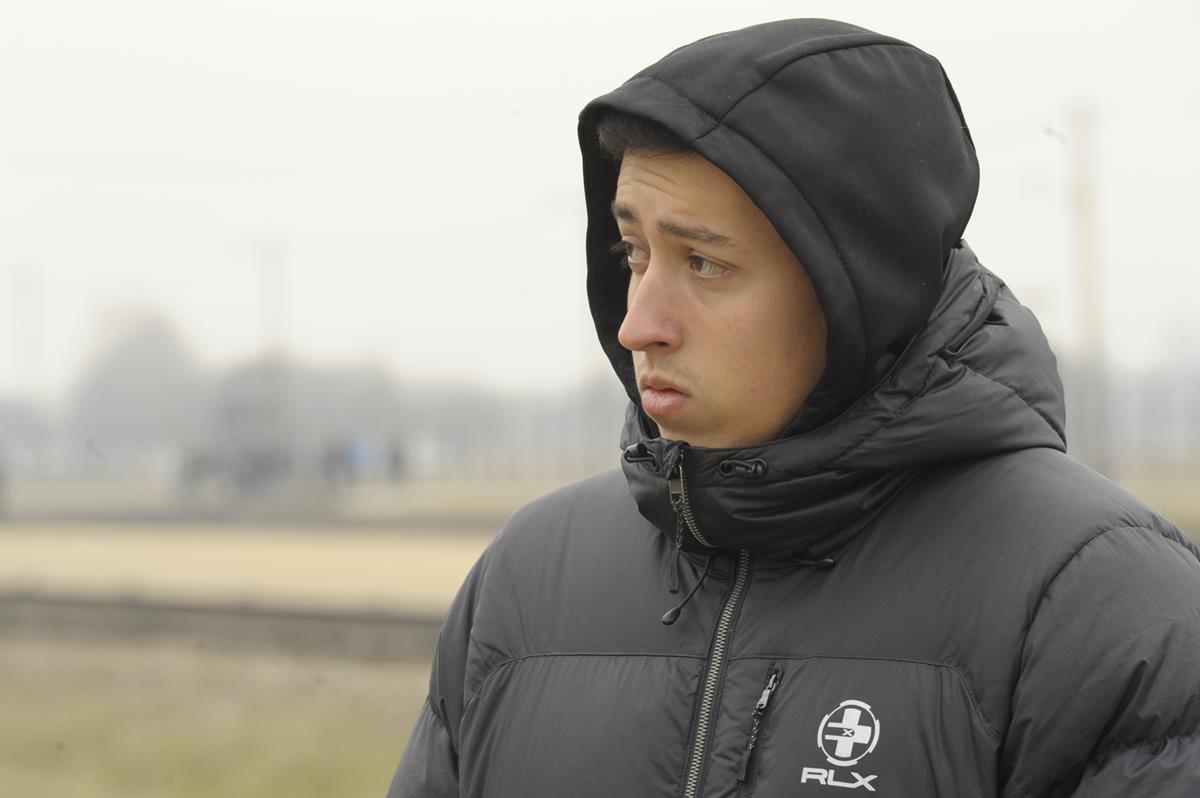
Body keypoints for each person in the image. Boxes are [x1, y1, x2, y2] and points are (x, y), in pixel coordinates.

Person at [387, 18, 1200, 797]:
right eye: (634, 253)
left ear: (856, 290)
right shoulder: (526, 579)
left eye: (704, 263)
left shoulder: (1103, 601)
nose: (639, 324)